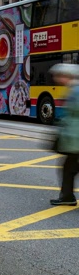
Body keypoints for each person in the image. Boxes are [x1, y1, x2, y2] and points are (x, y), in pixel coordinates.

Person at [49, 64, 79, 205]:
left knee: (68, 168)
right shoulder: (73, 89)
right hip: (73, 138)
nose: (57, 79)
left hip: (76, 138)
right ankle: (67, 196)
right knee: (68, 168)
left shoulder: (76, 90)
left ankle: (67, 197)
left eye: (59, 76)